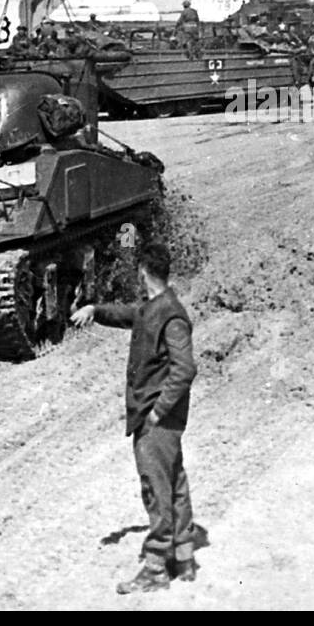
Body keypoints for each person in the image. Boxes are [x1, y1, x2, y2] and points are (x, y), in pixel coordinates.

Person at [70, 242, 199, 594]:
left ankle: (156, 568)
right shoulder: (156, 307)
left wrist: (158, 410)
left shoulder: (170, 315)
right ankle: (184, 558)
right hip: (163, 417)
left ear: (143, 272)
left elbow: (185, 368)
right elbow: (131, 314)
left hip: (157, 417)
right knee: (174, 482)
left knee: (156, 488)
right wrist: (96, 309)